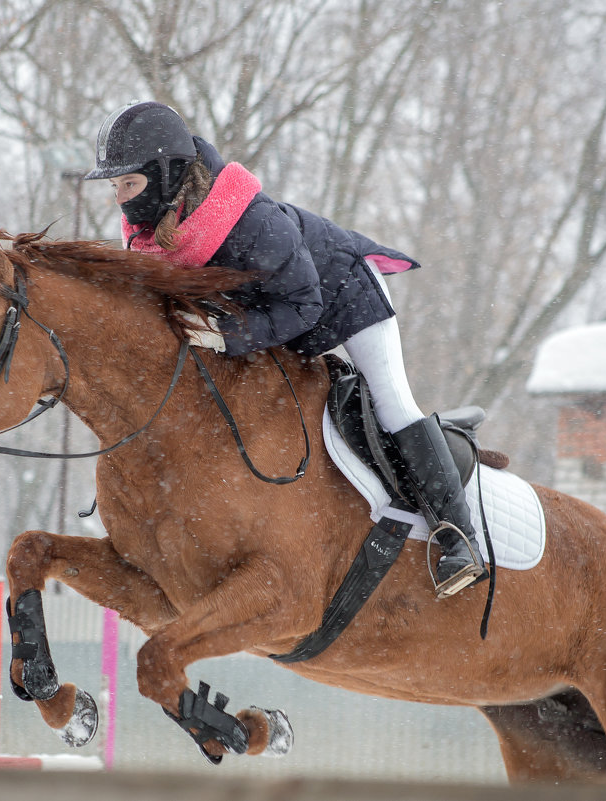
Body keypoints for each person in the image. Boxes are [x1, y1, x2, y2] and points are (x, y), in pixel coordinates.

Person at [83, 100, 485, 598]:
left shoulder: (251, 222)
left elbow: (304, 307)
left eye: (129, 185)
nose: (120, 200)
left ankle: (458, 539)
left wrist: (228, 336)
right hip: (274, 311)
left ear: (167, 176)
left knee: (393, 403)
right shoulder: (151, 234)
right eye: (115, 187)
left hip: (343, 297)